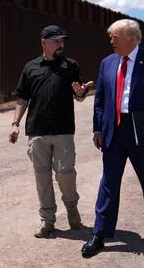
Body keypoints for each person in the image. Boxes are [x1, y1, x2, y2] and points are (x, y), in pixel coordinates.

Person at [81, 19, 144, 258]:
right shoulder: (107, 62)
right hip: (114, 130)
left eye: (114, 36)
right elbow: (100, 99)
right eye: (110, 36)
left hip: (143, 132)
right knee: (108, 183)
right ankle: (100, 234)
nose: (110, 40)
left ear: (131, 38)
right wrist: (97, 129)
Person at [9, 24, 93, 238]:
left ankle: (73, 212)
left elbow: (80, 95)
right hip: (37, 132)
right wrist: (15, 124)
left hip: (63, 131)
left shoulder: (70, 66)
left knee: (66, 174)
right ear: (44, 42)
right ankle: (47, 221)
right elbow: (22, 98)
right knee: (42, 178)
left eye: (62, 41)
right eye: (56, 41)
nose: (61, 44)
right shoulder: (30, 68)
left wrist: (82, 93)